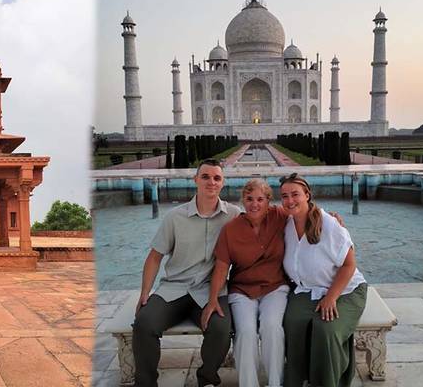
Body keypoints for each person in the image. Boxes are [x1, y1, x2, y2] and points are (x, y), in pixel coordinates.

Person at [132, 158, 241, 387]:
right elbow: (155, 257)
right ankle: (145, 383)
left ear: (222, 183)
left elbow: (265, 221)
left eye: (216, 178)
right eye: (205, 177)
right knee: (144, 323)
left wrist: (322, 218)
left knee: (221, 329)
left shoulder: (234, 215)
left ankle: (207, 378)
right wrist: (145, 292)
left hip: (211, 290)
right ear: (195, 180)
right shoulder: (175, 217)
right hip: (174, 288)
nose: (211, 182)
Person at [279, 173, 367, 387]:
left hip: (345, 290)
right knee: (292, 322)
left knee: (326, 330)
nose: (290, 200)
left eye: (295, 194)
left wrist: (331, 297)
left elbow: (349, 265)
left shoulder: (329, 224)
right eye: (284, 196)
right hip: (307, 290)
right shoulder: (286, 223)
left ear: (307, 195)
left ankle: (329, 381)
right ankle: (298, 380)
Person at [202, 178, 289, 387]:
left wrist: (329, 217)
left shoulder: (279, 216)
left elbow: (304, 212)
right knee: (246, 331)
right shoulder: (231, 229)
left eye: (260, 199)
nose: (254, 204)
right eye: (249, 199)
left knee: (271, 327)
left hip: (275, 287)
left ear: (269, 201)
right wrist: (212, 300)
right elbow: (222, 268)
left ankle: (276, 383)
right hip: (242, 289)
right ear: (243, 200)